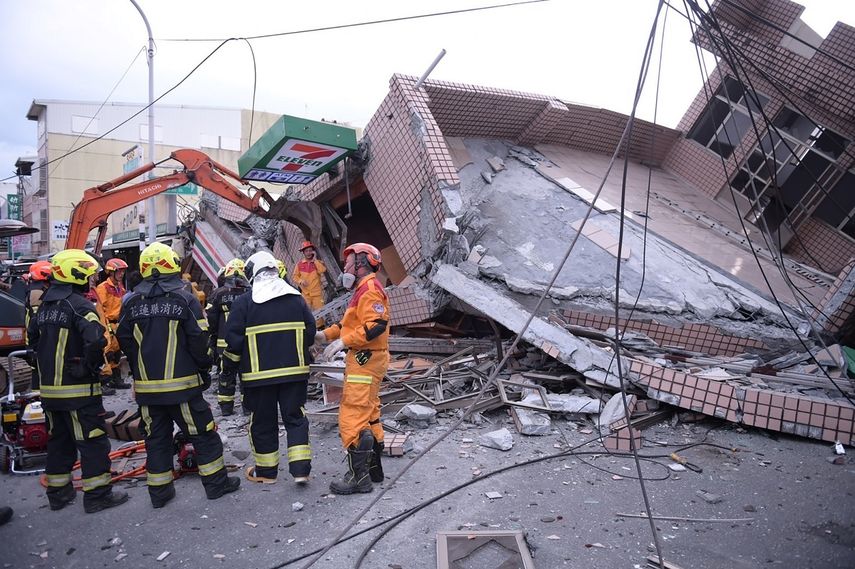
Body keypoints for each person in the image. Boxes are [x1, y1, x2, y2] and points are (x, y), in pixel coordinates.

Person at [117, 243, 239, 508]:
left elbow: (124, 341)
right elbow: (199, 339)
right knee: (203, 435)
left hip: (148, 392)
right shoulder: (185, 299)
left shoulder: (130, 303)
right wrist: (205, 368)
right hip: (183, 388)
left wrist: (140, 372)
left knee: (156, 440)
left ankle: (159, 494)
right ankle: (217, 486)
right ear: (170, 266)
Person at [27, 249, 129, 513]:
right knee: (92, 442)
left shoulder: (45, 306)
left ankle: (58, 495)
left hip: (49, 392)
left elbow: (33, 343)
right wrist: (88, 366)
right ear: (78, 274)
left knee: (59, 442)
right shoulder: (80, 305)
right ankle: (97, 496)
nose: (91, 280)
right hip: (79, 392)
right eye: (89, 275)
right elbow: (97, 340)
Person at [221, 250, 315, 485]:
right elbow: (310, 334)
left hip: (258, 377)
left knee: (263, 422)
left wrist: (228, 373)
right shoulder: (296, 298)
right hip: (295, 373)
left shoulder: (244, 302)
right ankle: (301, 470)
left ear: (252, 273)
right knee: (295, 418)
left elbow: (233, 341)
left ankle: (266, 472)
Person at [315, 243, 389, 494]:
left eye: (348, 263)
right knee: (369, 413)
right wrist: (324, 336)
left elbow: (376, 325)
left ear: (361, 264)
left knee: (353, 415)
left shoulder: (368, 289)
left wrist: (344, 342)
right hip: (368, 358)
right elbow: (348, 325)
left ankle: (359, 479)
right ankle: (374, 470)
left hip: (365, 359)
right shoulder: (362, 290)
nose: (344, 267)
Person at [207, 259, 250, 416]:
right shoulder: (249, 293)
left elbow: (211, 318)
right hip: (245, 343)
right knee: (246, 374)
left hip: (224, 343)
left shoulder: (218, 294)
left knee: (226, 374)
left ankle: (226, 408)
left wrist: (212, 336)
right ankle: (247, 407)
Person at [95, 258, 130, 391]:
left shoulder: (120, 287)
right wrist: (105, 328)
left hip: (118, 325)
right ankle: (103, 383)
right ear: (111, 272)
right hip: (107, 325)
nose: (122, 274)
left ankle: (116, 379)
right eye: (119, 271)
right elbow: (100, 309)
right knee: (106, 354)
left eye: (123, 271)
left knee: (116, 354)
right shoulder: (103, 287)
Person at [292, 241, 327, 314]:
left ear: (313, 252)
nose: (308, 253)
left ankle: (321, 325)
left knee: (321, 312)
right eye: (306, 251)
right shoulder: (299, 264)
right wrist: (301, 281)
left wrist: (315, 260)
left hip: (317, 294)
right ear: (303, 252)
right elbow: (295, 276)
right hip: (305, 294)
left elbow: (322, 270)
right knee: (305, 312)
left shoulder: (318, 262)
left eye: (310, 250)